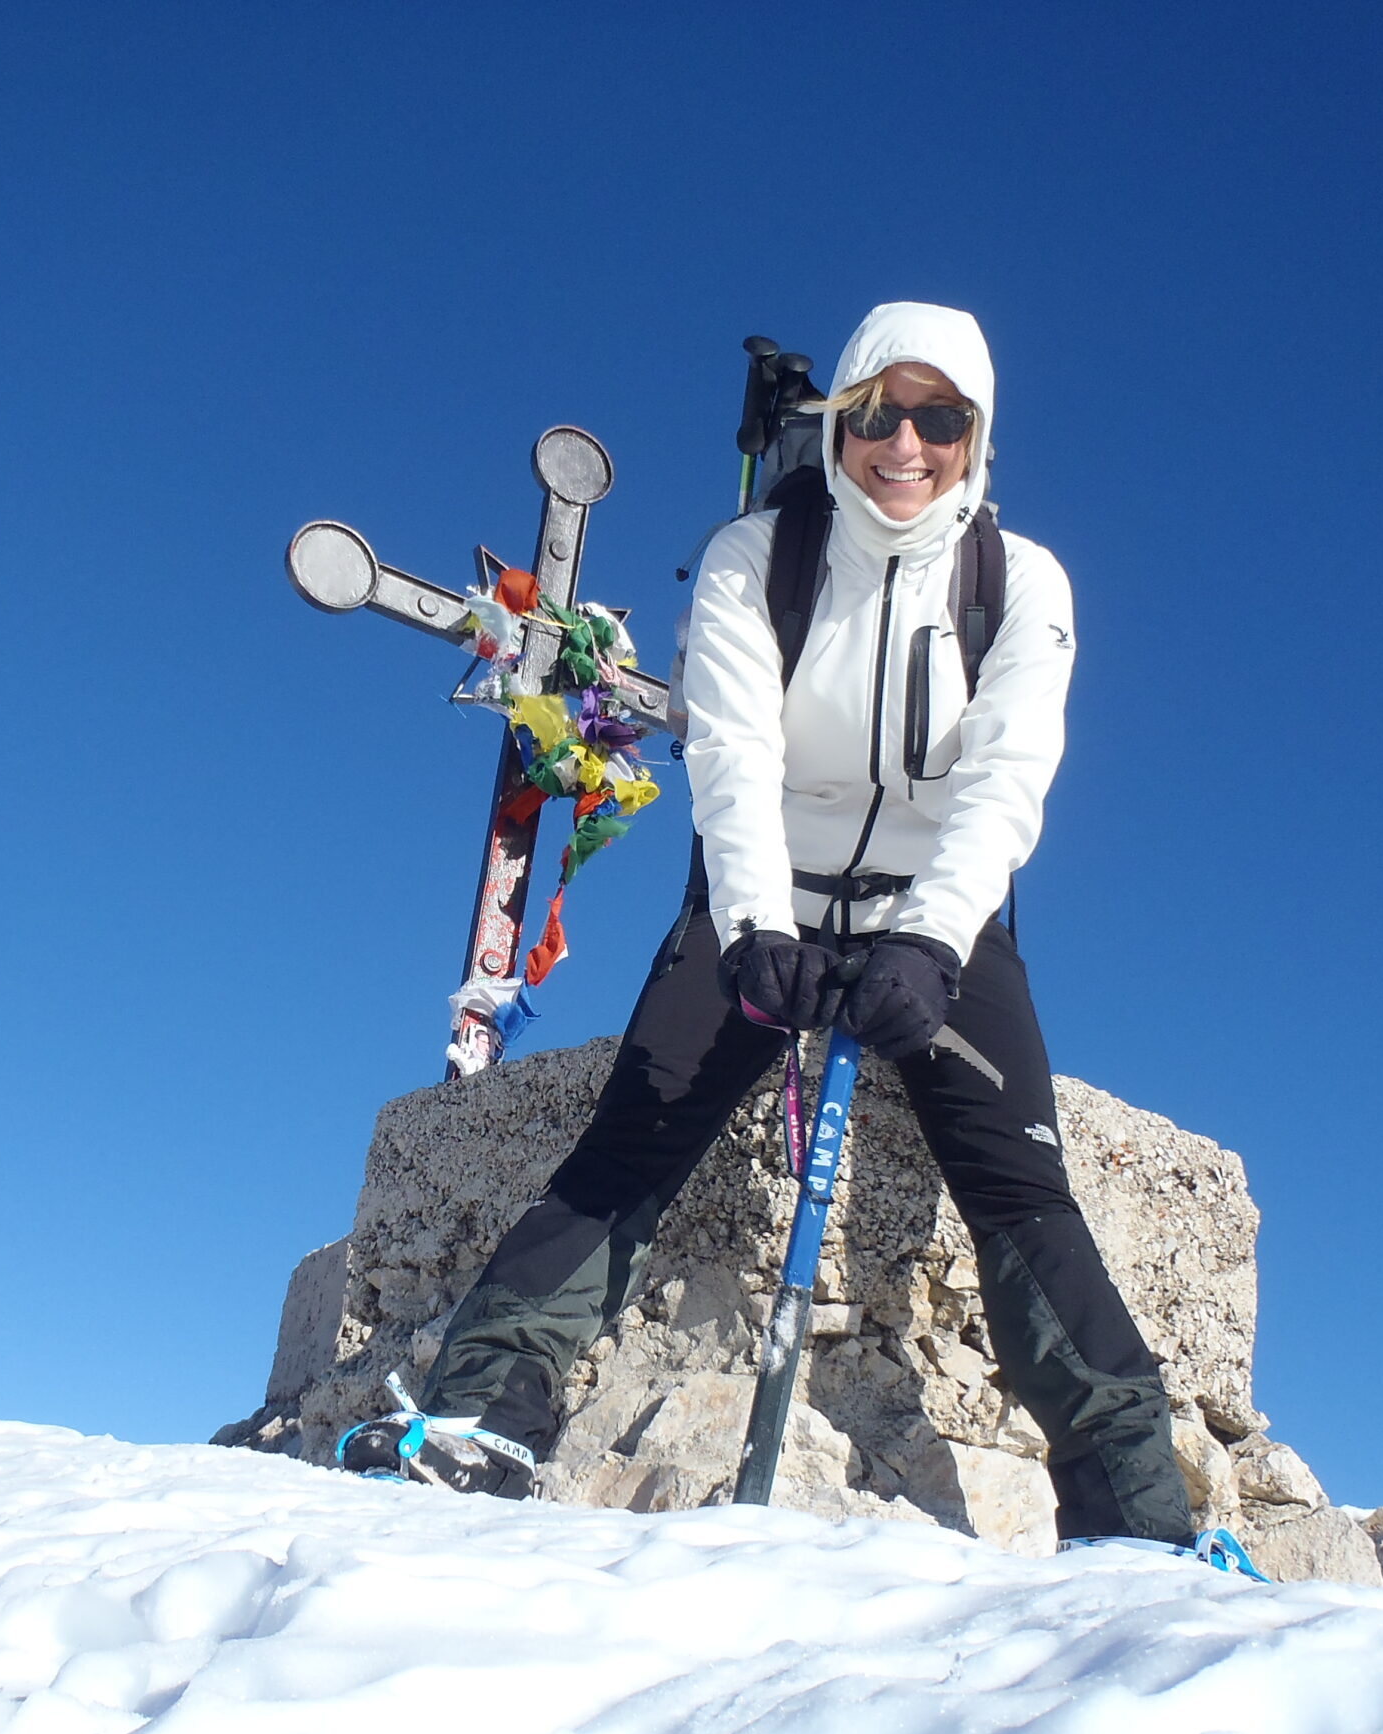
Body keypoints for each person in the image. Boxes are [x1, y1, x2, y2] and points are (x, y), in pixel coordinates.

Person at [342, 301, 1198, 1550]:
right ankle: (483, 1415)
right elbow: (732, 756)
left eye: (941, 418)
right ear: (839, 419)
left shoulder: (1020, 582)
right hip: (766, 903)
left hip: (934, 919)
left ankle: (1138, 1520)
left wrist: (930, 939)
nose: (906, 444)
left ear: (979, 436)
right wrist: (751, 927)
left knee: (1021, 1187)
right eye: (879, 414)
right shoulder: (756, 557)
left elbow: (1009, 775)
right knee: (633, 1134)